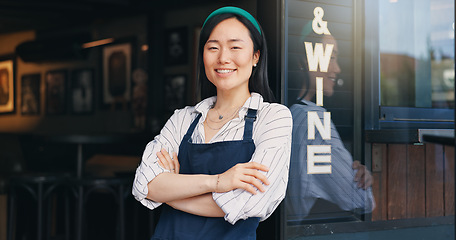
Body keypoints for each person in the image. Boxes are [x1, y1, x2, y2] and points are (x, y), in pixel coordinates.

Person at [132, 6, 292, 240]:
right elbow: (145, 185)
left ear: (256, 56)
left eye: (235, 47)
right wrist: (219, 182)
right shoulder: (183, 119)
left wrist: (171, 194)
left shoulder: (273, 118)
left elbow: (249, 203)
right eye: (213, 48)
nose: (223, 58)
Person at [286, 34, 375, 222]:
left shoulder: (289, 114)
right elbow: (360, 198)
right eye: (331, 57)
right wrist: (358, 179)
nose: (338, 68)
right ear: (305, 60)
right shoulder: (315, 120)